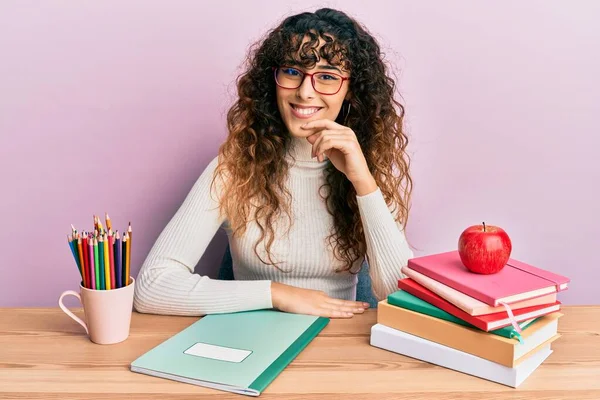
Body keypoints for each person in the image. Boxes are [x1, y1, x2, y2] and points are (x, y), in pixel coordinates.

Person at [133, 8, 414, 319]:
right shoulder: (234, 168)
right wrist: (277, 294)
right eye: (292, 71)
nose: (305, 92)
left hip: (338, 347)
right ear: (273, 79)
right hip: (252, 344)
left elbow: (400, 297)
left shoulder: (373, 172)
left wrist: (362, 181)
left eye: (327, 76)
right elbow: (151, 286)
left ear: (351, 91)